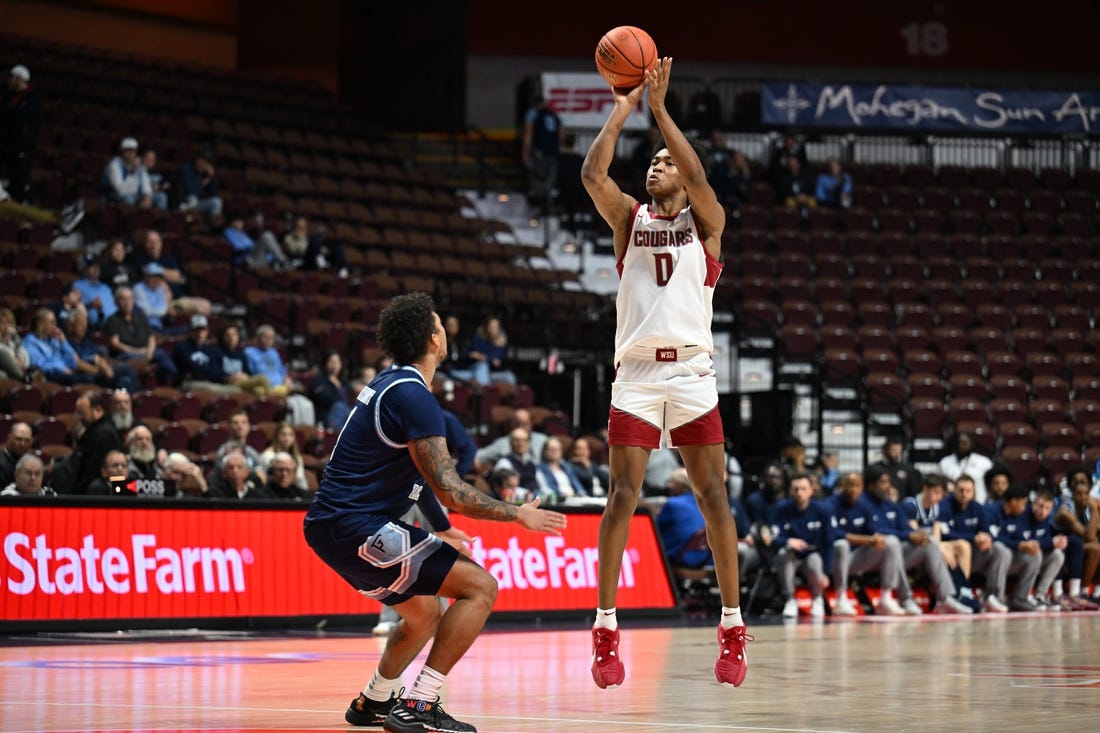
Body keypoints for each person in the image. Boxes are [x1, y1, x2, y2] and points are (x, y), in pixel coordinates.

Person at [302, 292, 565, 733]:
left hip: (335, 526)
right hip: (355, 525)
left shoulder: (391, 383)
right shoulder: (413, 396)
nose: (446, 331)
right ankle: (422, 703)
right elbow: (452, 490)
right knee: (481, 587)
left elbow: (419, 478)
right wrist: (517, 513)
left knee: (424, 613)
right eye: (442, 325)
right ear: (433, 340)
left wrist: (441, 529)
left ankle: (375, 700)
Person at [581, 58, 748, 689]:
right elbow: (592, 173)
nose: (656, 165)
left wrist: (662, 111)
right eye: (651, 160)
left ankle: (731, 627)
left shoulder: (707, 223)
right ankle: (605, 627)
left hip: (694, 377)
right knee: (622, 495)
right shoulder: (630, 220)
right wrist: (625, 106)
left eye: (665, 160)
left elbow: (699, 173)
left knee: (713, 500)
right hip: (638, 376)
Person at [863, 466, 973, 614]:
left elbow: (905, 527)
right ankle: (906, 598)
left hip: (895, 551)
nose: (888, 486)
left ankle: (945, 598)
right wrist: (909, 535)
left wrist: (916, 536)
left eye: (888, 482)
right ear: (871, 485)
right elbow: (874, 530)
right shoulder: (863, 504)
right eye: (883, 482)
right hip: (870, 554)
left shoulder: (890, 504)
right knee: (894, 545)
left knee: (931, 542)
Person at [825, 470, 917, 617]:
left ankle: (886, 598)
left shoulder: (864, 505)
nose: (853, 489)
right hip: (833, 560)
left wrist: (877, 539)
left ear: (862, 488)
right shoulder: (830, 505)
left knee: (891, 542)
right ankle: (841, 598)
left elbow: (873, 530)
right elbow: (834, 534)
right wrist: (868, 540)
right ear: (842, 486)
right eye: (850, 485)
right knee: (842, 545)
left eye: (857, 486)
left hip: (856, 558)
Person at [940, 474, 1011, 613]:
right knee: (962, 545)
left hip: (975, 556)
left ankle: (993, 596)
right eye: (961, 490)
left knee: (1000, 550)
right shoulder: (945, 506)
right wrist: (973, 538)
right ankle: (963, 593)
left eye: (968, 491)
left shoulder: (978, 508)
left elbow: (987, 532)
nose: (964, 494)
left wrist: (985, 539)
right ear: (954, 490)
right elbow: (945, 533)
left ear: (974, 492)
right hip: (952, 556)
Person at [771, 472, 833, 619]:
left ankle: (817, 599)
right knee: (783, 554)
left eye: (804, 489)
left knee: (815, 561)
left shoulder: (823, 511)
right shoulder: (780, 509)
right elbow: (773, 537)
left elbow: (829, 542)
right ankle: (790, 600)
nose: (799, 493)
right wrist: (787, 541)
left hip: (812, 553)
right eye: (796, 489)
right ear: (790, 491)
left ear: (812, 490)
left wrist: (826, 572)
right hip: (791, 554)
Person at [104, 286, 178, 385]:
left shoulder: (140, 316)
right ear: (116, 302)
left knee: (163, 355)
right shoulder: (112, 320)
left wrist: (149, 352)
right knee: (132, 360)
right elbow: (115, 343)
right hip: (127, 354)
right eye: (123, 299)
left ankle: (171, 383)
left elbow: (151, 337)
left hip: (146, 351)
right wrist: (137, 351)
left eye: (130, 298)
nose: (127, 302)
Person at [986, 483, 1043, 612]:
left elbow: (1020, 537)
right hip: (988, 558)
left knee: (1034, 554)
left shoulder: (1020, 516)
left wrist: (1028, 544)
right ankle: (995, 596)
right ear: (1012, 502)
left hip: (1008, 560)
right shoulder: (991, 511)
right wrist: (1018, 544)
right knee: (1001, 549)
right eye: (1023, 503)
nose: (1025, 507)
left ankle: (1020, 598)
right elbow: (992, 538)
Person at [130, 229, 212, 318]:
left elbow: (176, 277)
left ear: (161, 243)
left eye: (156, 241)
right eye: (150, 242)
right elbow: (151, 278)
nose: (153, 245)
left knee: (205, 305)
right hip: (156, 303)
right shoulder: (139, 259)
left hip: (177, 300)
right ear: (145, 244)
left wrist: (159, 270)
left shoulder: (168, 259)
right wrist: (165, 275)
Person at [65, 305, 140, 392]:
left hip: (99, 374)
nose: (84, 328)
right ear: (70, 326)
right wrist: (99, 371)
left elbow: (95, 357)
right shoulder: (66, 344)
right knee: (127, 368)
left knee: (124, 381)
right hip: (86, 376)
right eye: (80, 324)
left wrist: (104, 366)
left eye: (85, 324)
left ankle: (135, 400)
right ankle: (139, 396)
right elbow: (78, 364)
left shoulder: (85, 342)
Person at [1054, 476, 1100, 608]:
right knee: (1096, 549)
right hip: (1059, 548)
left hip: (1076, 548)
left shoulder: (1086, 509)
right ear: (1072, 495)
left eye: (1086, 494)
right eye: (1079, 494)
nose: (1083, 497)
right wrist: (1096, 511)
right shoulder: (1066, 510)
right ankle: (1082, 592)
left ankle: (1097, 593)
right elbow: (1089, 536)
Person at [22, 307, 98, 386]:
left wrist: (63, 341)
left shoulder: (55, 339)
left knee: (93, 378)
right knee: (80, 380)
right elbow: (39, 365)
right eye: (51, 322)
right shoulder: (30, 341)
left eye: (55, 321)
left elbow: (73, 363)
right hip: (48, 375)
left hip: (65, 373)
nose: (55, 325)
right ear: (41, 324)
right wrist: (62, 369)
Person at [67, 390, 124, 495]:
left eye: (82, 413)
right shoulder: (94, 430)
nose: (78, 417)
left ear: (97, 409)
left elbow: (93, 471)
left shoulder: (103, 434)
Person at [0, 64, 42, 204]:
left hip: (21, 146)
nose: (8, 81)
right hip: (5, 143)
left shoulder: (32, 98)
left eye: (11, 78)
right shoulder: (9, 96)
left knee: (18, 180)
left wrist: (8, 112)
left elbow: (21, 115)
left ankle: (18, 205)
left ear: (19, 79)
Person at [1027, 486, 1067, 610]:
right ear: (1033, 503)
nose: (1042, 511)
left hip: (1036, 556)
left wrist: (1059, 542)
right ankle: (1025, 595)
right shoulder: (1024, 515)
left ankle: (1040, 595)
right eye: (1040, 506)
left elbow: (1045, 541)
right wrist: (1051, 542)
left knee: (1058, 555)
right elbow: (1028, 542)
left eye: (1047, 508)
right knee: (1036, 552)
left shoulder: (1046, 520)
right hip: (1019, 556)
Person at [522, 94, 563, 210]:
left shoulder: (533, 114)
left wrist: (525, 152)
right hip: (553, 153)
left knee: (538, 179)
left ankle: (540, 205)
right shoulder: (554, 116)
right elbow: (561, 135)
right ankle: (548, 204)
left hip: (539, 153)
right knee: (550, 180)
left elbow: (528, 134)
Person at [473, 407, 547, 469]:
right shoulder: (502, 443)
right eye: (517, 423)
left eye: (524, 424)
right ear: (511, 425)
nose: (520, 427)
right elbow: (477, 455)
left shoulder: (542, 439)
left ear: (531, 424)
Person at [939, 431, 994, 503]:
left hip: (979, 504)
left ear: (972, 444)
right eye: (960, 442)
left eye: (965, 442)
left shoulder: (984, 462)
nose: (962, 445)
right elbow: (939, 484)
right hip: (951, 506)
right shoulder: (945, 462)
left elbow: (991, 486)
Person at [216, 322, 269, 395]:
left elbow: (248, 373)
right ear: (222, 337)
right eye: (228, 335)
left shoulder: (241, 355)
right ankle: (269, 403)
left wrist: (245, 376)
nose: (231, 338)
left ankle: (266, 403)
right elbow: (215, 374)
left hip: (242, 382)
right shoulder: (217, 352)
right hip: (229, 383)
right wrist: (229, 377)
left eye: (234, 335)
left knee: (259, 391)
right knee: (262, 379)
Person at [213, 408, 266, 480]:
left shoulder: (251, 451)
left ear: (249, 426)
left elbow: (263, 472)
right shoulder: (223, 451)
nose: (240, 426)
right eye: (235, 422)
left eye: (244, 422)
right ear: (228, 426)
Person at [464, 315, 516, 386]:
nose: (493, 329)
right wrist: (488, 359)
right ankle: (486, 394)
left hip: (492, 373)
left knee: (509, 376)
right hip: (475, 371)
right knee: (482, 366)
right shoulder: (478, 340)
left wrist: (497, 348)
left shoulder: (501, 343)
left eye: (496, 327)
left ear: (499, 329)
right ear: (486, 327)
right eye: (491, 327)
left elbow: (498, 363)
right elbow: (473, 356)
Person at [259, 422, 309, 493]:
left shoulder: (297, 457)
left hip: (293, 491)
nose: (287, 438)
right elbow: (263, 478)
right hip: (272, 491)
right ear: (276, 436)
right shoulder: (268, 455)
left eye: (290, 435)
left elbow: (301, 480)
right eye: (283, 434)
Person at [102, 137, 152, 207]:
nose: (130, 154)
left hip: (135, 193)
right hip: (113, 194)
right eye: (127, 151)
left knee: (160, 197)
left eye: (133, 151)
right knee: (129, 199)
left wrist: (147, 196)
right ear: (122, 152)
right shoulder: (114, 165)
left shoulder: (139, 165)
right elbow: (120, 191)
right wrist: (133, 171)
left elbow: (146, 182)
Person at [73, 253, 118, 329]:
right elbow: (74, 309)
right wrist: (90, 305)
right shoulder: (77, 286)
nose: (96, 268)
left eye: (97, 265)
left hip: (115, 324)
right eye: (91, 266)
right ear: (83, 269)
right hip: (95, 327)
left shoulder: (105, 287)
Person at [309, 351, 352, 430]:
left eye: (337, 362)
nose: (334, 365)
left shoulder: (344, 382)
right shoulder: (319, 380)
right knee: (339, 406)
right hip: (326, 417)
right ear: (325, 363)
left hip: (345, 415)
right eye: (331, 362)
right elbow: (326, 399)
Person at [535, 435, 586, 501]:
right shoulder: (539, 468)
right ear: (545, 451)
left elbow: (577, 485)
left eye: (557, 449)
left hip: (574, 499)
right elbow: (544, 489)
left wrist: (582, 494)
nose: (555, 452)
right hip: (558, 501)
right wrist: (561, 496)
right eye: (552, 449)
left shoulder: (566, 467)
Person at [205, 450, 272, 500]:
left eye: (239, 467)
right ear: (224, 473)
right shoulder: (217, 493)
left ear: (247, 472)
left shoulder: (257, 496)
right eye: (231, 467)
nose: (235, 471)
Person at [492, 428, 539, 495]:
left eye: (524, 440)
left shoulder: (531, 464)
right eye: (516, 440)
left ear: (528, 443)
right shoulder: (504, 463)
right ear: (510, 443)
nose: (520, 443)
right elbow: (506, 490)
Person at [177, 147, 222, 217]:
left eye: (208, 162)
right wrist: (203, 182)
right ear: (198, 160)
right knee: (192, 199)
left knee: (216, 202)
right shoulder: (187, 169)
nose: (206, 165)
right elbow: (190, 190)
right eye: (204, 161)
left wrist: (211, 177)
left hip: (198, 203)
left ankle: (213, 226)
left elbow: (214, 193)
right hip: (184, 201)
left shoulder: (206, 173)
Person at [0, 306, 30, 380]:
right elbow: (4, 357)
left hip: (16, 374)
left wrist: (16, 338)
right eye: (3, 323)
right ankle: (24, 379)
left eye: (9, 323)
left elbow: (26, 362)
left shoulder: (14, 341)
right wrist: (14, 361)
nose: (6, 327)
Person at [0, 421, 33, 488]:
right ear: (8, 439)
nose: (22, 444)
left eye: (27, 440)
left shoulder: (33, 464)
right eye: (18, 439)